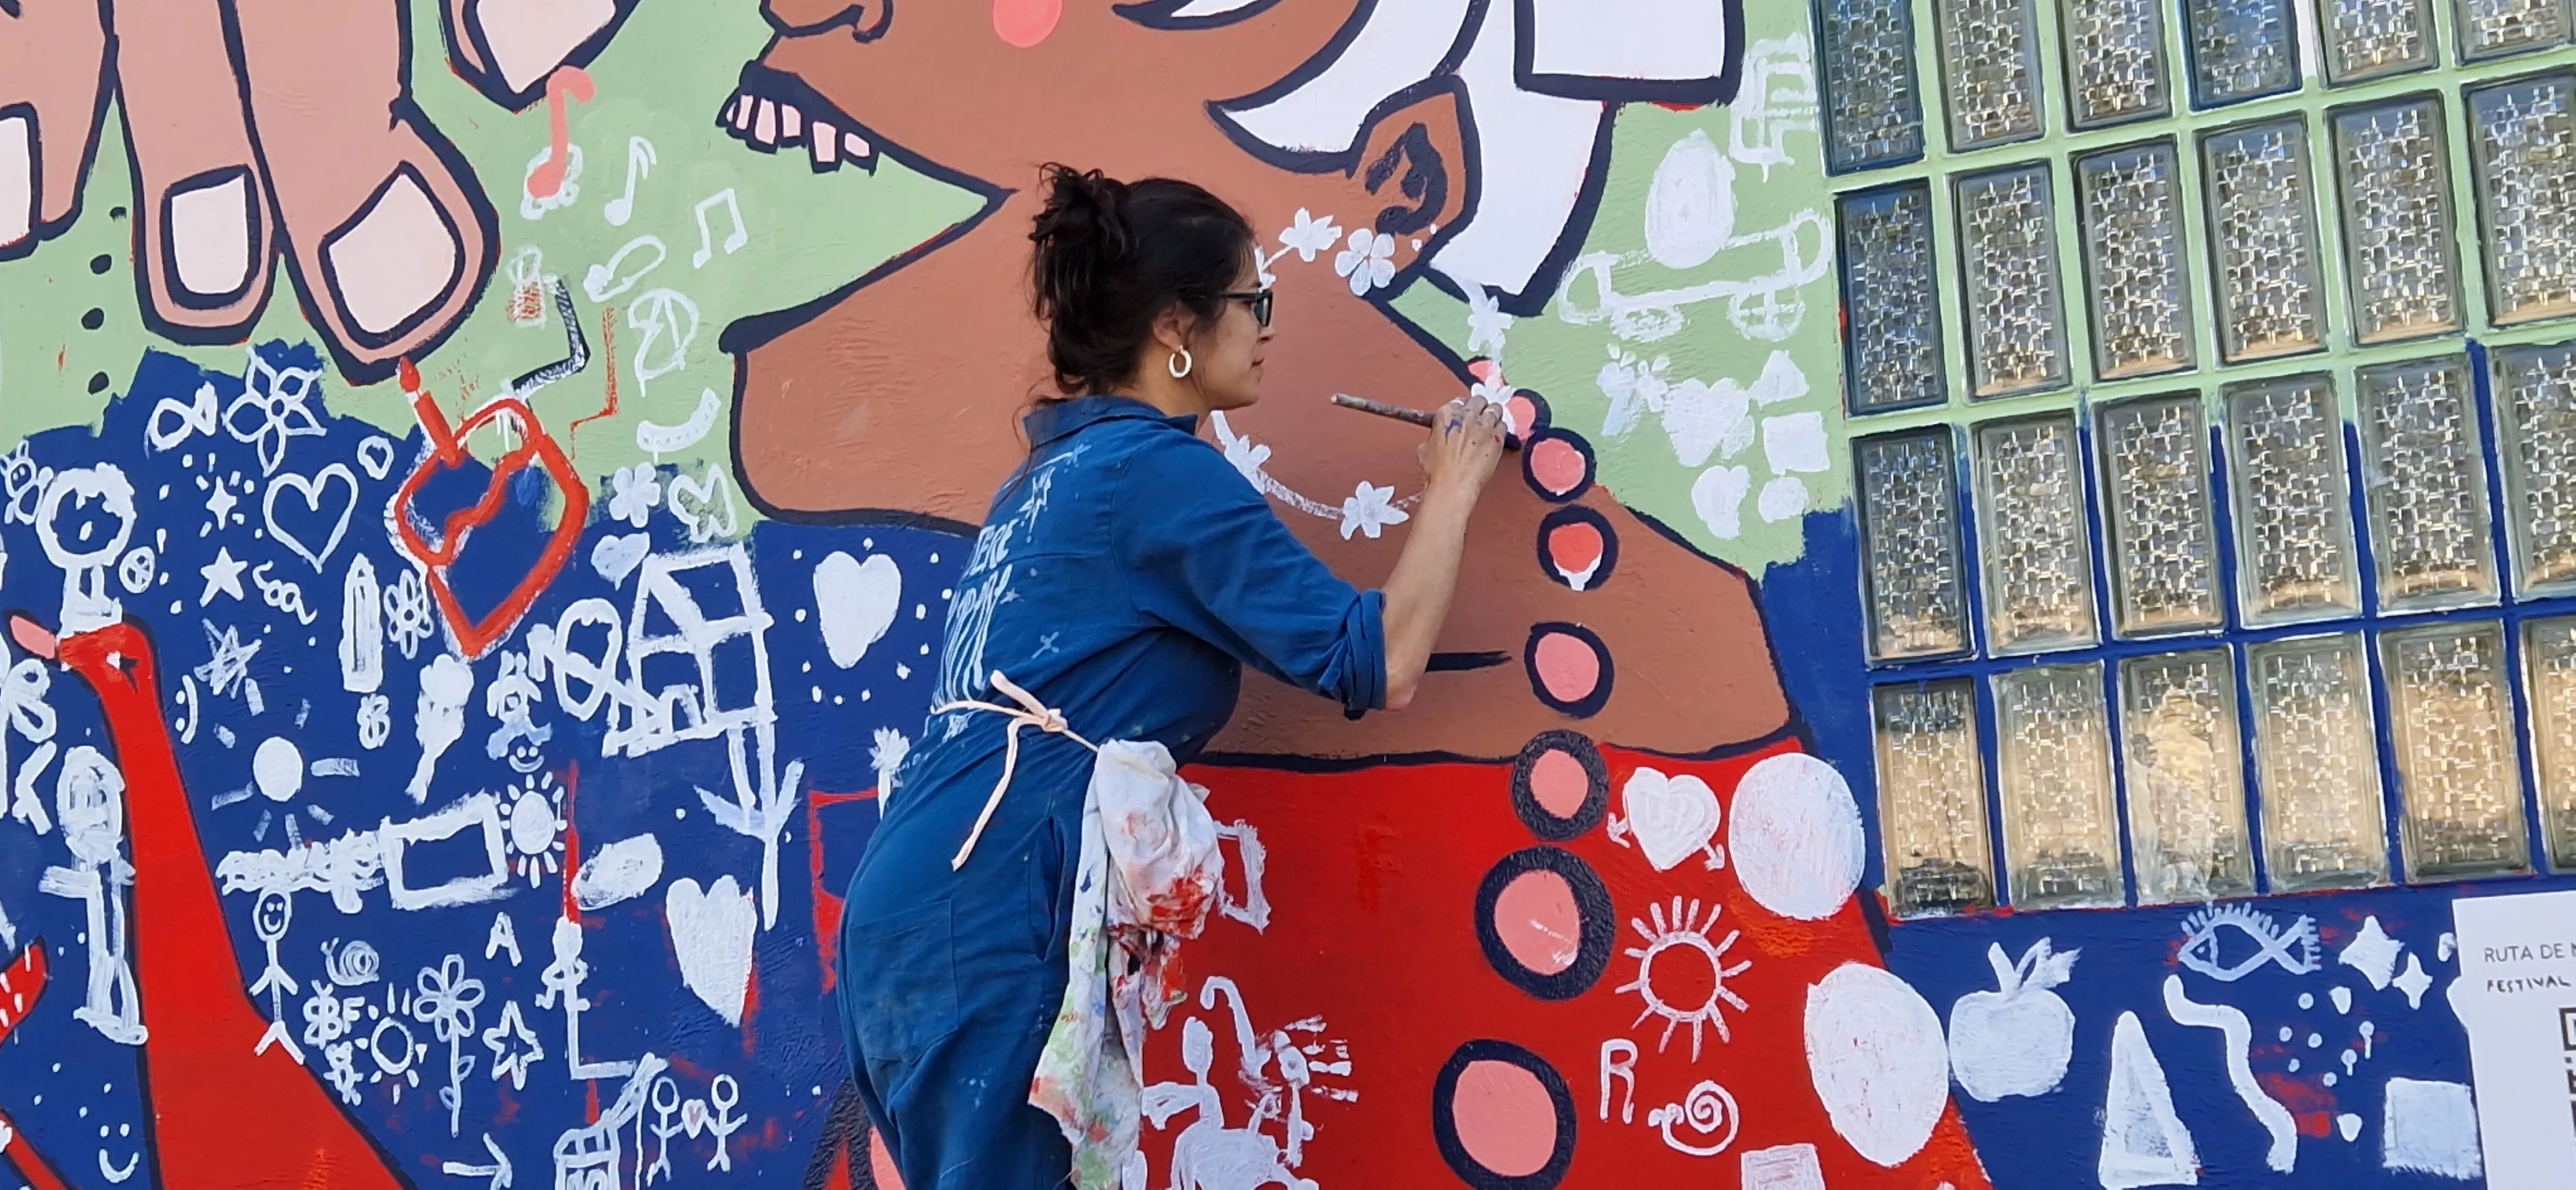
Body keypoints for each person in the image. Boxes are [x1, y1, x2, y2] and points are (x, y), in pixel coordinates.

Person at [833, 164, 1509, 1188]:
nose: (1268, 328)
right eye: (1255, 302)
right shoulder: (1153, 474)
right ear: (1176, 328)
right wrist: (1455, 489)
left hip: (922, 906)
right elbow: (1378, 661)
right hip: (988, 911)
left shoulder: (1048, 480)